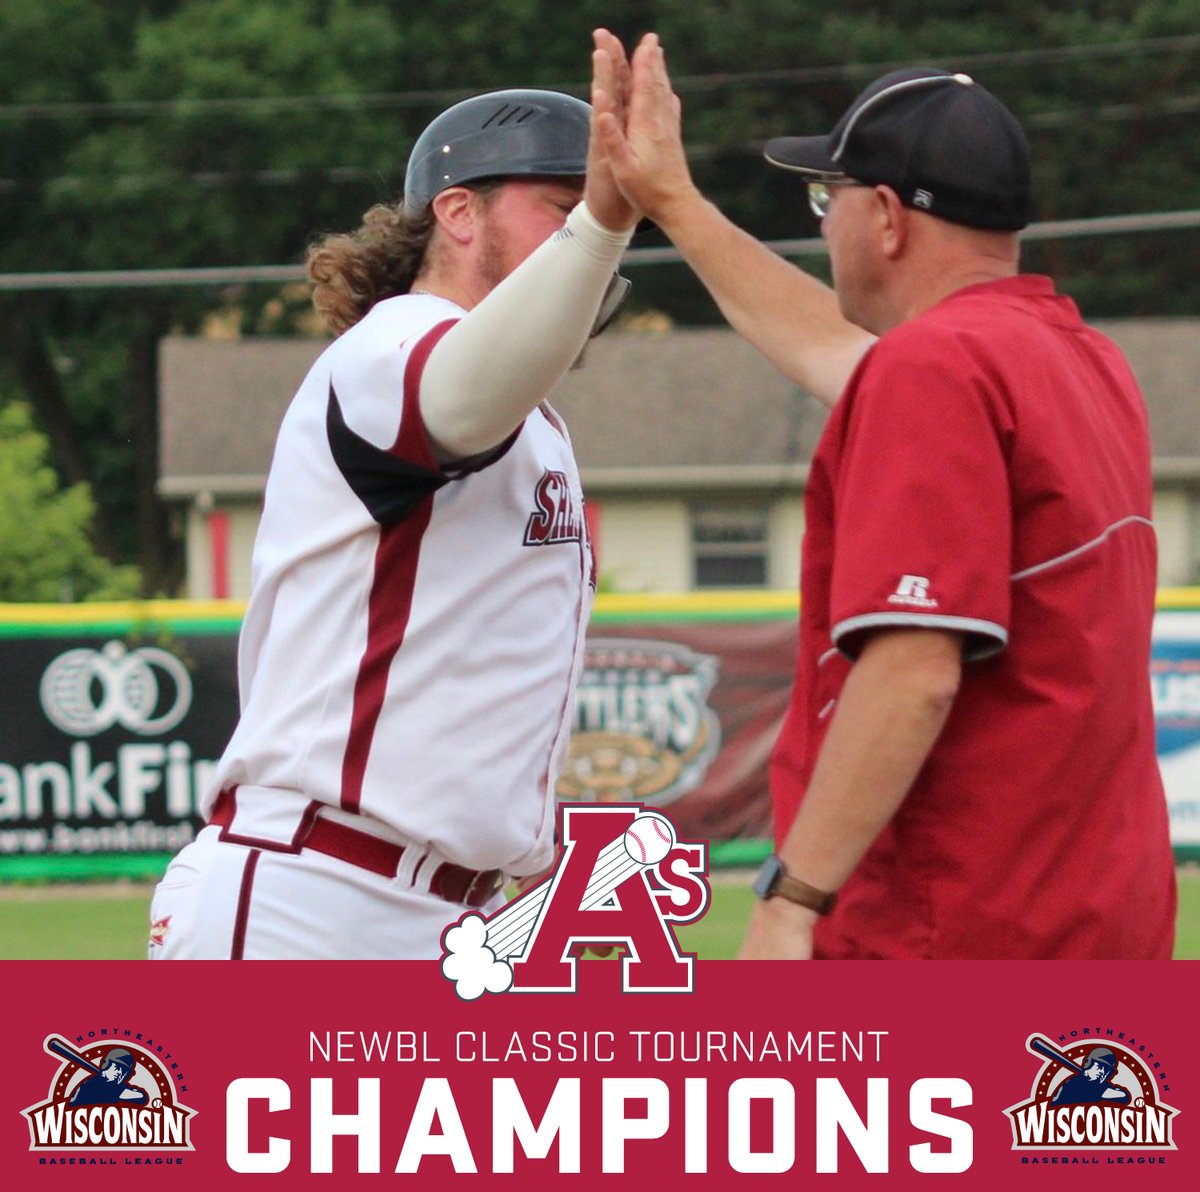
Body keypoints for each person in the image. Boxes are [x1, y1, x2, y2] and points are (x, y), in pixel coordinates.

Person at [594, 32, 1176, 958]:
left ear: (889, 219)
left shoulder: (934, 367)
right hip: (1095, 923)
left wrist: (791, 899)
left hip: (951, 933)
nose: (824, 224)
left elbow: (913, 672)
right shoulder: (1077, 358)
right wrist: (675, 204)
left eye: (830, 198)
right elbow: (843, 357)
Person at [148, 37, 639, 959]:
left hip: (448, 915)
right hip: (313, 893)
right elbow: (459, 395)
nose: (594, 237)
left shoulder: (532, 418)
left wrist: (540, 867)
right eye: (563, 208)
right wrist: (604, 224)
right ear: (458, 213)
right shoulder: (391, 348)